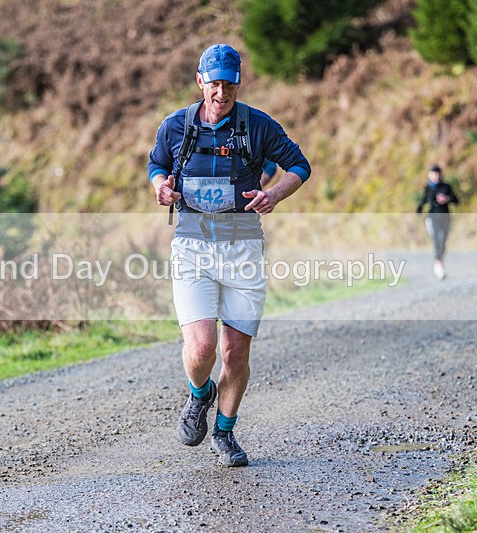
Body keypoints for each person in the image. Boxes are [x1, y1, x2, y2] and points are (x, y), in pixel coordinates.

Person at [148, 44, 311, 467]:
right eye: (214, 84)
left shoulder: (257, 125)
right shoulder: (176, 126)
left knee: (235, 353)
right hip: (192, 245)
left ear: (239, 82)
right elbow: (156, 166)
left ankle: (224, 432)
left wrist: (273, 193)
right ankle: (199, 395)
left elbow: (299, 165)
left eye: (229, 84)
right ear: (200, 80)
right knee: (201, 348)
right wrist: (160, 187)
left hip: (243, 246)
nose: (222, 93)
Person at [416, 164, 458, 279]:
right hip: (432, 217)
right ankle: (438, 265)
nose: (435, 176)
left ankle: (440, 264)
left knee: (443, 242)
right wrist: (419, 209)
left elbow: (456, 200)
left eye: (437, 173)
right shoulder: (428, 188)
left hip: (445, 217)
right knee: (436, 241)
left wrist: (447, 199)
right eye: (432, 174)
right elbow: (424, 200)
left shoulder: (446, 187)